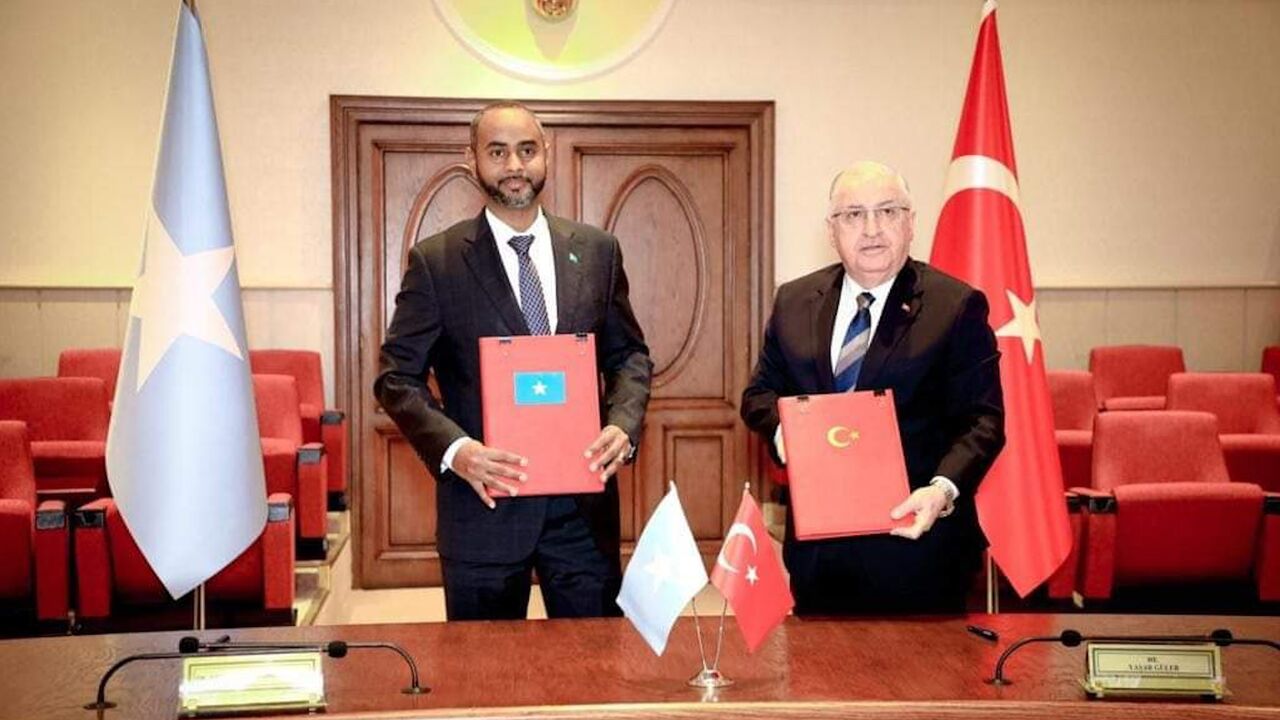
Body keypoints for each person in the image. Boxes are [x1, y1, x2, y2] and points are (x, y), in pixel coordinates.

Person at [375, 101, 653, 621]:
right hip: (483, 509)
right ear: (472, 160)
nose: (515, 166)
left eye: (527, 151)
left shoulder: (597, 251)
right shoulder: (436, 262)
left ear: (545, 154)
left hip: (581, 513)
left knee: (592, 677)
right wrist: (457, 451)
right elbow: (396, 378)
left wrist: (623, 423)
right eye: (498, 152)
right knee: (485, 684)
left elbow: (629, 354)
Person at [740, 161, 1004, 614]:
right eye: (853, 215)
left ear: (910, 223)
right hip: (820, 555)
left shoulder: (955, 306)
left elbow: (984, 421)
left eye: (887, 211)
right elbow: (758, 396)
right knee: (818, 680)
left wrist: (941, 491)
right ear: (831, 229)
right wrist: (787, 431)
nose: (871, 229)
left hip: (918, 549)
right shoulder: (794, 301)